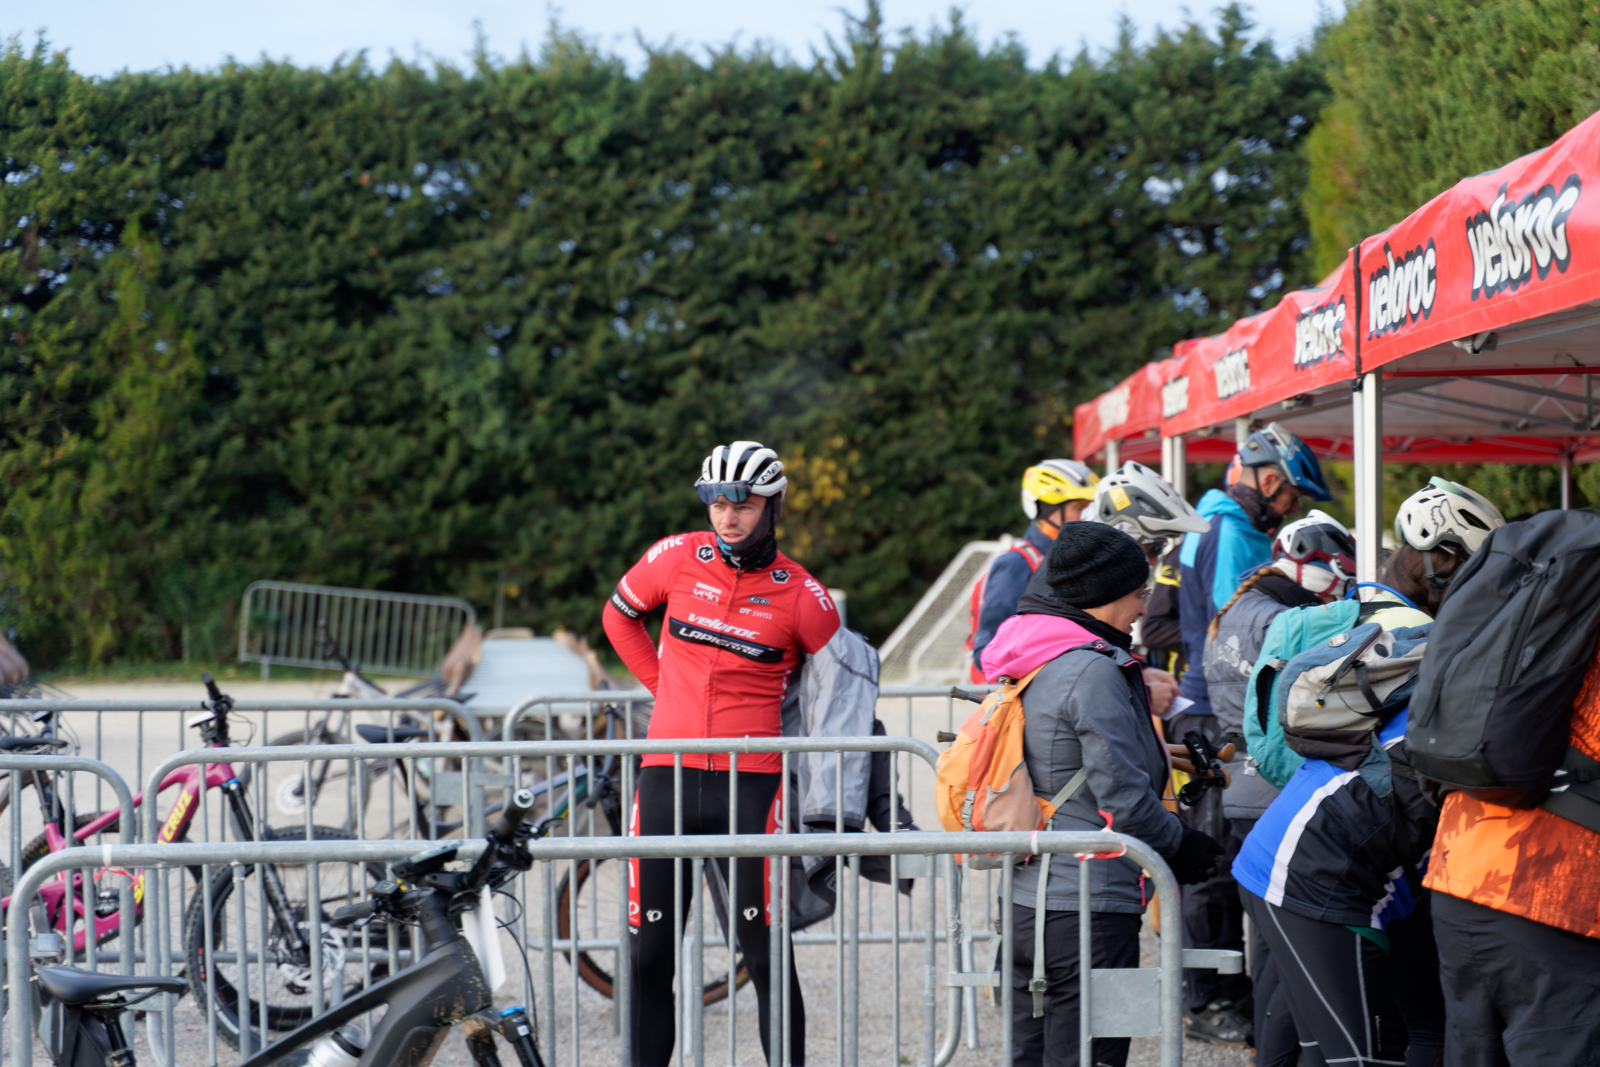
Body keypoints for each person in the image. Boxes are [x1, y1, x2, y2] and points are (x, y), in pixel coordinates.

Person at [1234, 478, 1504, 1067]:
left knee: (1335, 1049)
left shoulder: (1394, 635)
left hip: (1296, 855)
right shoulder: (1435, 656)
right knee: (1362, 1057)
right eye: (1474, 575)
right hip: (1312, 872)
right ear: (1442, 559)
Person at [602, 440, 835, 1067]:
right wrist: (664, 691)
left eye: (744, 504)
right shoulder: (676, 556)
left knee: (765, 956)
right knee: (649, 955)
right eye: (716, 503)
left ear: (772, 507)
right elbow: (618, 617)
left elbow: (840, 687)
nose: (728, 517)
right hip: (667, 777)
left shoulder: (803, 594)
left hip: (751, 785)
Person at [979, 521, 1226, 1067]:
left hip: (1027, 899)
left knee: (1031, 1057)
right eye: (1139, 592)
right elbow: (1125, 799)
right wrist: (1180, 845)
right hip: (1088, 904)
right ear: (1104, 593)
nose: (1143, 607)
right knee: (1093, 1056)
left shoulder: (1034, 655)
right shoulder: (1092, 671)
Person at [1173, 422, 1330, 1043]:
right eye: (1292, 494)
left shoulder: (1207, 519)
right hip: (1216, 711)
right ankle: (1208, 999)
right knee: (1214, 862)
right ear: (1268, 481)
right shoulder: (1233, 532)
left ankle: (1217, 991)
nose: (1291, 507)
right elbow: (1235, 636)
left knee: (1213, 857)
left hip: (1197, 702)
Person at [1200, 510, 1356, 1063]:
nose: (1336, 597)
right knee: (1285, 950)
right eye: (1339, 583)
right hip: (1275, 788)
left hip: (1239, 788)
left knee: (1268, 943)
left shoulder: (1237, 608)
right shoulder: (1284, 620)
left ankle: (1266, 1052)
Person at [1085, 460, 1211, 715]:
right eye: (1152, 547)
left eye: (1160, 548)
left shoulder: (1090, 589)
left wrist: (1139, 672)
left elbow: (1099, 655)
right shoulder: (1074, 595)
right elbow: (1075, 683)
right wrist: (1143, 695)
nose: (1154, 561)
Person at [967, 459, 1099, 682]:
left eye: (1089, 507)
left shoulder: (1076, 557)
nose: (1086, 516)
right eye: (1078, 507)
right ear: (1048, 509)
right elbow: (988, 650)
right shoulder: (1016, 563)